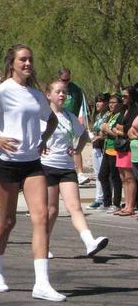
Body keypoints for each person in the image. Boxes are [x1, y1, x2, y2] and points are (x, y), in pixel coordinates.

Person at [0, 44, 65, 302]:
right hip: (8, 163)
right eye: (23, 60)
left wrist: (44, 139)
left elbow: (51, 119)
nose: (28, 64)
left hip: (32, 164)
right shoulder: (3, 90)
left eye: (30, 59)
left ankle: (42, 283)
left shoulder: (36, 94)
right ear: (12, 64)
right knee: (7, 222)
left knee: (41, 218)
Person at [42, 79, 108, 257]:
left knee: (75, 207)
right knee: (51, 209)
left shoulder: (70, 117)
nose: (62, 95)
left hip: (66, 167)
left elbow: (84, 135)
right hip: (47, 167)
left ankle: (89, 242)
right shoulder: (42, 116)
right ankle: (43, 244)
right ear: (49, 95)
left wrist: (77, 149)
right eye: (58, 92)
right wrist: (39, 147)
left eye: (64, 92)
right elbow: (31, 136)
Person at [57, 68, 89, 184]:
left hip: (71, 120)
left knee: (75, 145)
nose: (66, 82)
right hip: (57, 120)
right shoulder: (55, 88)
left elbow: (80, 104)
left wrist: (78, 118)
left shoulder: (75, 89)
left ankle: (80, 173)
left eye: (68, 80)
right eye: (63, 80)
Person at [112, 86, 138, 215]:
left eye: (126, 96)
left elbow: (127, 129)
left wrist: (120, 130)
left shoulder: (135, 110)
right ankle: (126, 204)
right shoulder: (123, 110)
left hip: (128, 147)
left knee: (129, 177)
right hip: (120, 147)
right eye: (122, 96)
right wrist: (120, 130)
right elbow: (116, 126)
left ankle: (130, 206)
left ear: (132, 96)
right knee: (123, 177)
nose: (123, 98)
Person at [98, 93, 124, 212]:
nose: (111, 105)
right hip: (107, 149)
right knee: (102, 175)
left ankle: (116, 203)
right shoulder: (110, 115)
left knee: (115, 177)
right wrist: (102, 132)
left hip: (115, 150)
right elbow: (105, 133)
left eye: (114, 103)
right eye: (110, 102)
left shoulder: (120, 116)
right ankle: (106, 202)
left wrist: (106, 129)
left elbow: (118, 134)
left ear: (119, 104)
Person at [87, 93, 110, 209]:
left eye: (100, 101)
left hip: (102, 147)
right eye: (97, 101)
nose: (97, 103)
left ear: (106, 103)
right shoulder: (97, 116)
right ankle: (98, 197)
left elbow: (106, 132)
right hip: (95, 147)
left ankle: (104, 198)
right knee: (97, 174)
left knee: (103, 175)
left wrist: (99, 137)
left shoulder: (108, 116)